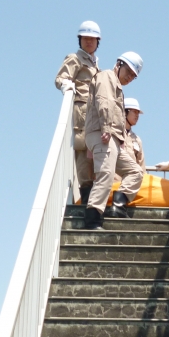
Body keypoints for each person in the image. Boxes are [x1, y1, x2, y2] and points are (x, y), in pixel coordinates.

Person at [83, 52, 145, 230]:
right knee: (105, 174)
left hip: (113, 138)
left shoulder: (117, 85)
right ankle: (92, 219)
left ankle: (118, 205)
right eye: (129, 72)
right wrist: (106, 129)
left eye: (134, 76)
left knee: (135, 171)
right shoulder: (107, 76)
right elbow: (104, 102)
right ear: (119, 64)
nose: (130, 77)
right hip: (103, 133)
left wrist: (119, 138)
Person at [55, 21, 101, 204]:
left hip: (94, 114)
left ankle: (93, 197)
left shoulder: (95, 63)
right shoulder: (75, 59)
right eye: (85, 38)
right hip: (81, 111)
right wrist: (68, 85)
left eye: (93, 39)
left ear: (98, 42)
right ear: (80, 40)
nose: (89, 42)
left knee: (93, 154)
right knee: (83, 153)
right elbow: (61, 78)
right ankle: (86, 196)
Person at [123, 97, 146, 171]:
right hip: (114, 181)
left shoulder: (137, 139)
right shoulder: (113, 134)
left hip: (131, 181)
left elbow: (141, 165)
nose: (137, 115)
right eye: (135, 112)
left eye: (138, 113)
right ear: (125, 112)